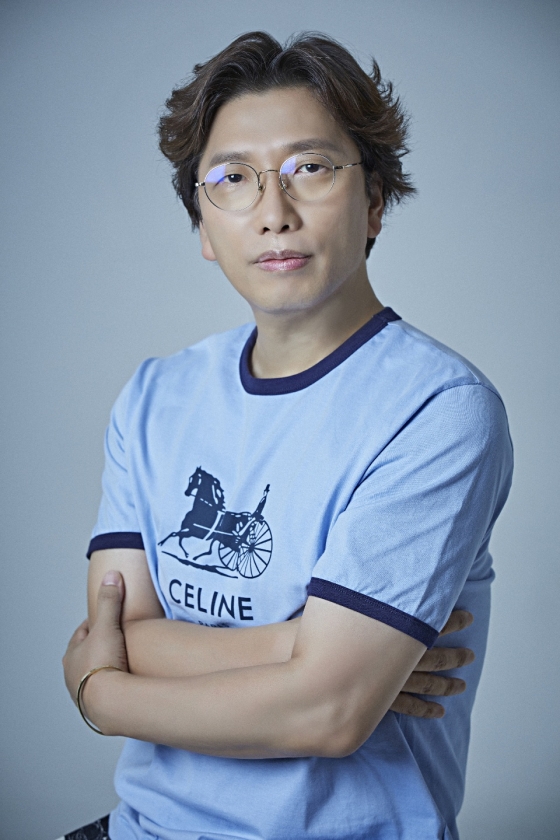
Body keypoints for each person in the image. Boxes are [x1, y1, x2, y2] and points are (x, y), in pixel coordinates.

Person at [62, 31, 513, 840]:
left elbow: (327, 714)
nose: (274, 213)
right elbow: (116, 630)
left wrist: (104, 694)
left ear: (375, 202)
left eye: (311, 167)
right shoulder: (155, 396)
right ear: (205, 227)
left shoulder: (439, 407)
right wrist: (303, 646)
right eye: (233, 179)